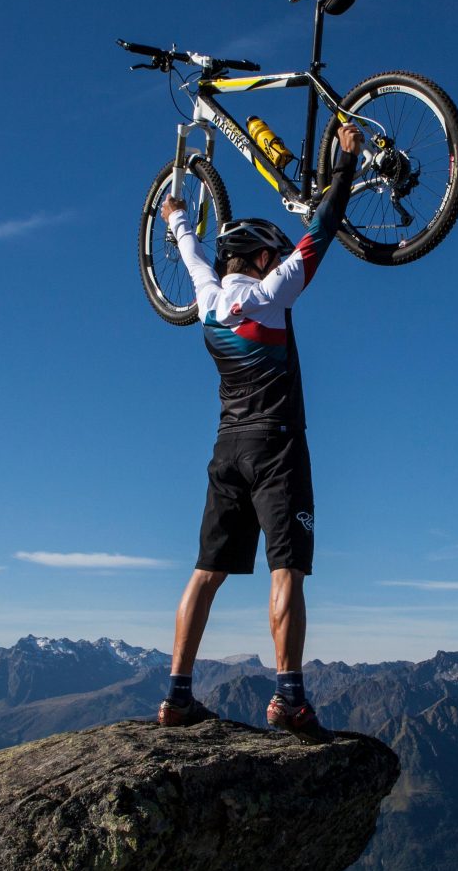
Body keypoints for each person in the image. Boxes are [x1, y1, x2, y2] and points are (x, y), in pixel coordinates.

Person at [154, 121, 363, 743]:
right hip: (277, 448)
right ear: (266, 258)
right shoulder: (272, 293)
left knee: (205, 572)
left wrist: (171, 213)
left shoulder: (209, 298)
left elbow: (189, 248)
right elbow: (322, 230)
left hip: (227, 449)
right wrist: (348, 163)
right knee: (286, 573)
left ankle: (176, 696)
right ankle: (289, 699)